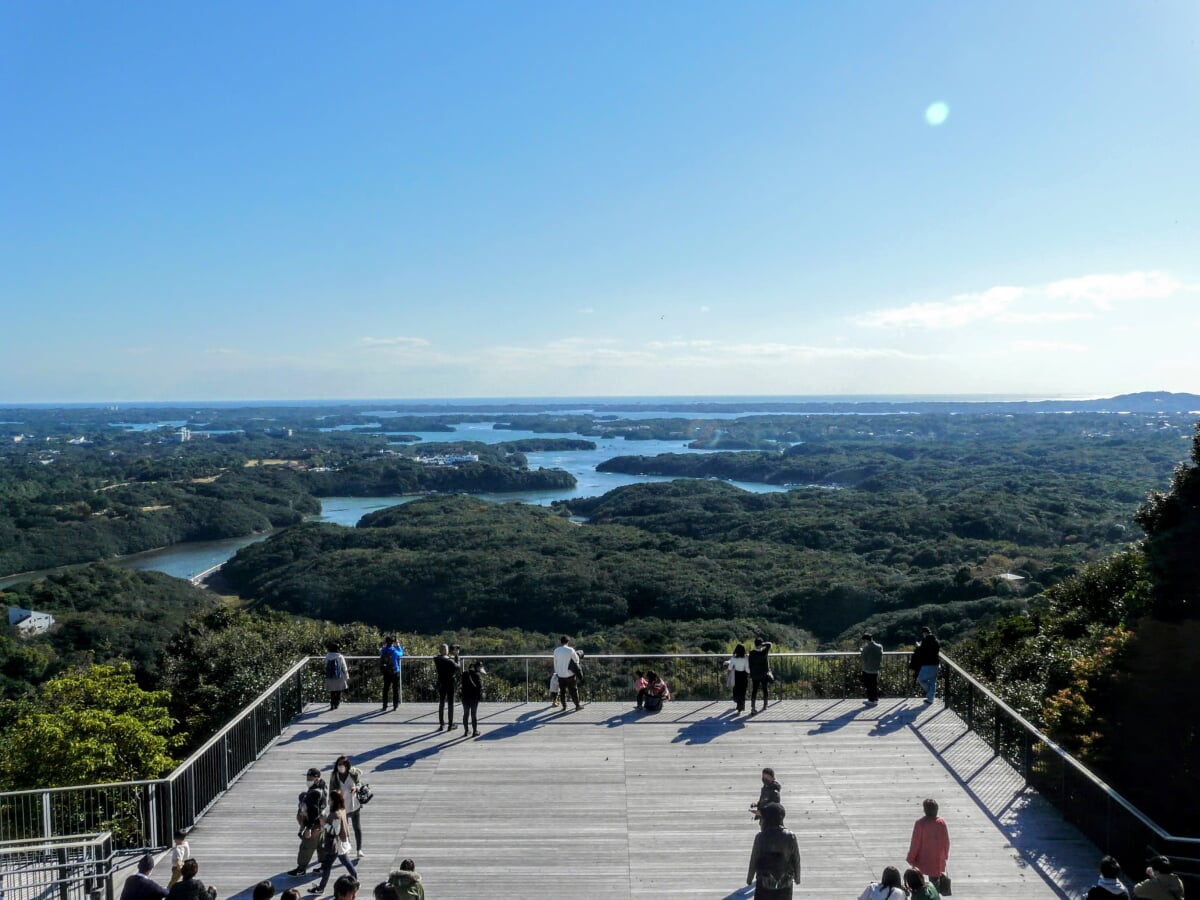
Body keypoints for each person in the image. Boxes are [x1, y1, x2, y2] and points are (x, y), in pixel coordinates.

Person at [745, 802, 801, 899]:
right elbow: (796, 859)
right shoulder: (790, 836)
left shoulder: (761, 837)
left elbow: (754, 859)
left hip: (764, 882)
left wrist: (750, 878)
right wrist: (797, 877)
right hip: (785, 882)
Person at [309, 790, 358, 894]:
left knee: (327, 866)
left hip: (336, 844)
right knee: (345, 862)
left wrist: (324, 824)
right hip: (340, 843)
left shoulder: (336, 814)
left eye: (330, 800)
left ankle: (321, 888)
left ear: (334, 801)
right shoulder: (341, 809)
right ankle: (355, 881)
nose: (328, 801)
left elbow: (335, 831)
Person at [290, 767, 327, 876]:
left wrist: (308, 828)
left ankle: (301, 869)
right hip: (322, 822)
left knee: (306, 846)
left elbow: (314, 812)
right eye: (307, 778)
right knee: (321, 846)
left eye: (311, 778)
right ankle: (324, 866)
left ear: (317, 778)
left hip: (314, 824)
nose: (308, 780)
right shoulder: (322, 787)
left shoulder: (315, 793)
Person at [906, 799, 950, 885]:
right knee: (934, 881)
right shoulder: (941, 823)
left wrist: (911, 858)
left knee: (917, 878)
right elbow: (946, 842)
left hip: (922, 858)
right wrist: (945, 856)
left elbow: (915, 843)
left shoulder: (920, 823)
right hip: (936, 858)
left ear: (925, 810)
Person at [329, 755, 365, 859]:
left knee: (357, 827)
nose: (341, 767)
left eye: (343, 764)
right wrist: (334, 795)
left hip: (354, 804)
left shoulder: (353, 773)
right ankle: (347, 846)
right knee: (345, 828)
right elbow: (331, 789)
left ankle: (359, 849)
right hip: (342, 807)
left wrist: (356, 788)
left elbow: (359, 783)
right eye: (339, 764)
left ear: (347, 765)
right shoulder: (334, 775)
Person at [433, 644, 460, 730]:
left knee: (441, 703)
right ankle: (450, 724)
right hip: (450, 683)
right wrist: (456, 656)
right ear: (445, 650)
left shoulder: (437, 659)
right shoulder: (449, 661)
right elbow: (457, 667)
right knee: (450, 704)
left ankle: (442, 724)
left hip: (441, 682)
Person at [910, 628, 940, 705]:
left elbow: (922, 651)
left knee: (920, 679)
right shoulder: (936, 641)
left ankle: (930, 694)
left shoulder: (925, 641)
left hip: (927, 664)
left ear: (924, 633)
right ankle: (930, 699)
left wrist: (918, 646)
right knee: (933, 682)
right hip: (936, 664)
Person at [553, 635, 582, 712]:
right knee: (573, 691)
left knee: (562, 691)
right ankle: (577, 705)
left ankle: (564, 706)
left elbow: (555, 663)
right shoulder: (570, 650)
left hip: (560, 675)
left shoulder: (556, 650)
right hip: (570, 675)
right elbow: (576, 660)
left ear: (561, 642)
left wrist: (557, 672)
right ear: (567, 642)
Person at [749, 637, 773, 713]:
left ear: (755, 644)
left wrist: (751, 673)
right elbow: (769, 644)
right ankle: (765, 705)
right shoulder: (764, 652)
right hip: (764, 675)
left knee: (754, 691)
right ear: (761, 645)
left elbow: (750, 665)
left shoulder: (751, 653)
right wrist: (763, 644)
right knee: (765, 690)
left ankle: (753, 707)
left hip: (755, 675)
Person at [461, 659, 485, 737]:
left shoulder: (465, 673)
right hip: (474, 698)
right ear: (478, 668)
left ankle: (466, 731)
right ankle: (475, 731)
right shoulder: (477, 675)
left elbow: (462, 684)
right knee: (473, 714)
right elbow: (480, 687)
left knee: (466, 714)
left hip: (465, 697)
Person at [379, 637, 403, 712]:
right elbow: (401, 653)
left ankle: (384, 705)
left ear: (386, 642)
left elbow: (380, 652)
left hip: (386, 672)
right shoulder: (394, 651)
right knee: (395, 689)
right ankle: (395, 705)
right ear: (392, 643)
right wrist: (398, 645)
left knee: (385, 689)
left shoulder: (383, 650)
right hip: (395, 671)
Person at [324, 642, 349, 710]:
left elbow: (325, 665)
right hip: (339, 675)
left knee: (332, 691)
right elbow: (344, 666)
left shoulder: (327, 656)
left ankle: (332, 704)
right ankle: (336, 704)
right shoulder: (340, 656)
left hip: (330, 675)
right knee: (338, 691)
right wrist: (346, 675)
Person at [860, 633, 883, 706]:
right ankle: (875, 699)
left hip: (868, 669)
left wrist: (862, 651)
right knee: (874, 685)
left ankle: (871, 700)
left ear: (866, 640)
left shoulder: (866, 648)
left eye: (864, 641)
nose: (864, 642)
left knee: (869, 685)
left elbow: (863, 658)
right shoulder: (879, 646)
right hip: (876, 669)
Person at [727, 644, 750, 713]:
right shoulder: (746, 658)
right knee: (743, 691)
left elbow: (729, 668)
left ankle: (737, 703)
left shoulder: (733, 658)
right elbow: (747, 670)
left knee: (737, 689)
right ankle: (740, 707)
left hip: (736, 675)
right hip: (743, 675)